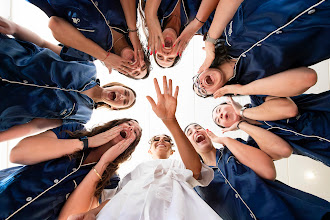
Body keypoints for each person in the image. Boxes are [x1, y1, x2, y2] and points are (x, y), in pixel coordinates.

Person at [59, 76, 221, 220]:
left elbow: (195, 170)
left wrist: (170, 121)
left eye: (166, 140)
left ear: (173, 150)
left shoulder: (177, 165)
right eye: (156, 139)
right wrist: (94, 213)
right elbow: (116, 197)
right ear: (149, 150)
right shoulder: (136, 171)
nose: (161, 141)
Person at [0, 18, 136, 142]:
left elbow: (37, 125)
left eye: (124, 102)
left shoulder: (82, 117)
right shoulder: (88, 66)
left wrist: (2, 137)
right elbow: (43, 44)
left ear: (114, 107)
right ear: (117, 85)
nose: (121, 96)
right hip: (6, 55)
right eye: (125, 92)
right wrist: (16, 29)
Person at [0, 118, 142, 219]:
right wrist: (87, 143)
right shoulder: (74, 130)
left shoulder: (111, 180)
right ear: (115, 124)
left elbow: (69, 217)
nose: (130, 128)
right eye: (129, 123)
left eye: (135, 133)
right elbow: (17, 154)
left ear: (130, 147)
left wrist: (103, 163)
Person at [184, 123, 330, 219]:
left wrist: (225, 140)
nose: (195, 131)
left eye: (198, 127)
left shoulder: (233, 148)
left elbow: (268, 172)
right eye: (189, 133)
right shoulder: (195, 182)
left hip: (295, 211)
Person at [193, 0, 330, 98]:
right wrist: (244, 90)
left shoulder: (224, 35)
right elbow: (308, 77)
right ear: (217, 93)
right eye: (202, 91)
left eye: (196, 81)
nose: (201, 85)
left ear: (202, 69)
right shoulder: (258, 85)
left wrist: (211, 41)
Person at [27, 0, 150, 79]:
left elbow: (54, 24)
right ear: (142, 54)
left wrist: (105, 56)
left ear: (121, 69)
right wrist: (133, 32)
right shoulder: (131, 21)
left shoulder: (87, 55)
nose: (137, 67)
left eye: (135, 73)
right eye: (143, 67)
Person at [212, 94, 330, 166]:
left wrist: (242, 112)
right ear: (228, 128)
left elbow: (289, 110)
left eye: (219, 110)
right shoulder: (255, 144)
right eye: (218, 120)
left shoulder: (258, 98)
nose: (220, 115)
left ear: (229, 103)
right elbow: (284, 150)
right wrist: (241, 125)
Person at [140, 0, 218, 68]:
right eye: (170, 58)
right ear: (180, 50)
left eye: (160, 56)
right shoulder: (204, 27)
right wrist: (197, 23)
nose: (166, 54)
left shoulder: (153, 12)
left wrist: (150, 15)